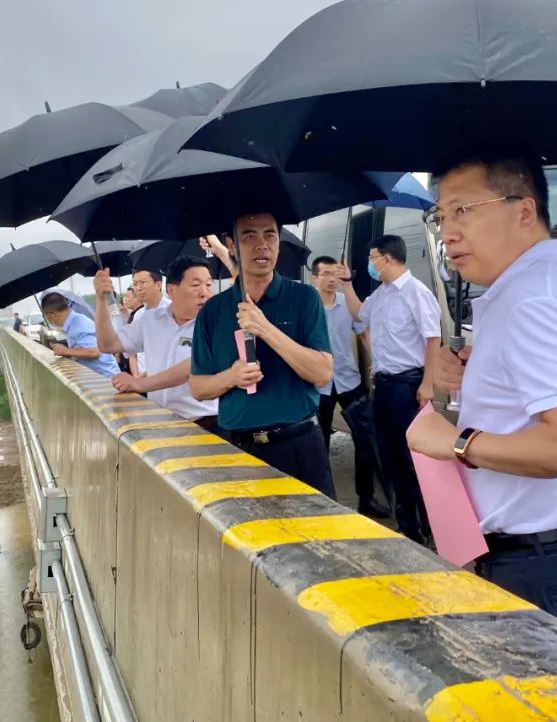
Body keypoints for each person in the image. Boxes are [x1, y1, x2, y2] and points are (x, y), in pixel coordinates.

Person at [407, 143, 557, 655]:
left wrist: (458, 443)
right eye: (441, 216)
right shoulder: (550, 285)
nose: (448, 233)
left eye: (464, 210)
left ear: (524, 211)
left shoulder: (535, 301)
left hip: (549, 571)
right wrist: (478, 373)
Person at [189, 211, 335, 497]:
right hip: (238, 447)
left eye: (270, 235)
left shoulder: (303, 297)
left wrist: (265, 328)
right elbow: (198, 388)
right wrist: (231, 377)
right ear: (231, 246)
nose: (262, 244)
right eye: (249, 236)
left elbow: (321, 373)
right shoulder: (213, 311)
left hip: (299, 443)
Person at [341, 235, 441, 543]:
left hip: (407, 385)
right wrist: (347, 284)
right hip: (383, 385)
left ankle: (431, 528)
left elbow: (433, 338)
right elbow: (359, 314)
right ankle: (408, 527)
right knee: (389, 459)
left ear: (387, 259)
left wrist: (427, 383)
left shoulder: (416, 292)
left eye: (372, 258)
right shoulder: (381, 294)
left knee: (412, 460)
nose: (370, 264)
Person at [93, 257, 221, 433]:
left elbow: (192, 367)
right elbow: (108, 344)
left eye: (208, 285)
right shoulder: (151, 320)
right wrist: (101, 299)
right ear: (172, 290)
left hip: (206, 424)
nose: (205, 293)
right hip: (161, 421)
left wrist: (140, 384)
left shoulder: (216, 324)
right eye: (196, 285)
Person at [310, 255, 390, 518]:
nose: (332, 279)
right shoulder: (308, 306)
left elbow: (363, 331)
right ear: (314, 278)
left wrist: (377, 360)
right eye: (326, 274)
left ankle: (366, 498)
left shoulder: (347, 303)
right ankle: (322, 500)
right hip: (319, 382)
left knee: (365, 438)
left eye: (335, 273)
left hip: (348, 379)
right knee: (319, 443)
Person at [40, 292, 120, 378]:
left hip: (107, 378)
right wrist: (69, 353)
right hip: (99, 377)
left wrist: (65, 351)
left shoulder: (78, 325)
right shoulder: (72, 323)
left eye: (46, 316)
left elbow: (94, 352)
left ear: (51, 315)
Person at [129, 269, 170, 376]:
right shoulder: (138, 315)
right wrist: (136, 378)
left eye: (143, 283)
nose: (138, 288)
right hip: (142, 381)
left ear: (158, 285)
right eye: (135, 284)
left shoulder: (172, 312)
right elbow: (132, 352)